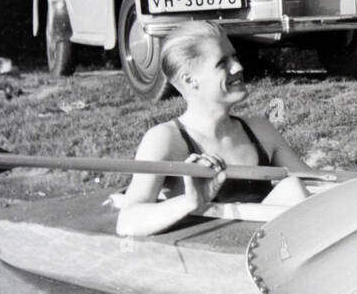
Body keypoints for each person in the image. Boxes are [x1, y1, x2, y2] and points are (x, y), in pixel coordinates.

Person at [114, 22, 314, 236]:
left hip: (268, 248)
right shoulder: (165, 139)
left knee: (293, 189)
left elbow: (316, 184)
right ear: (190, 80)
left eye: (234, 57)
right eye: (222, 63)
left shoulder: (260, 130)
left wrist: (353, 183)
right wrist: (190, 202)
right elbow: (127, 222)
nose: (238, 67)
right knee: (292, 190)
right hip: (210, 260)